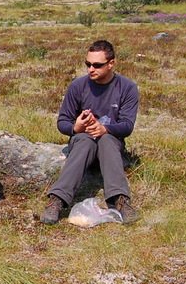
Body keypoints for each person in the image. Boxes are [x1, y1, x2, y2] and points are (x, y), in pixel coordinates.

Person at [40, 40, 139, 225]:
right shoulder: (78, 86)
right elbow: (63, 122)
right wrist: (75, 128)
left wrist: (105, 129)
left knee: (107, 140)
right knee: (85, 140)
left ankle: (120, 200)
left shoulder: (127, 88)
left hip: (110, 142)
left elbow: (127, 126)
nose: (90, 69)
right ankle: (57, 200)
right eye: (88, 64)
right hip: (82, 141)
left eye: (97, 65)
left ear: (111, 64)